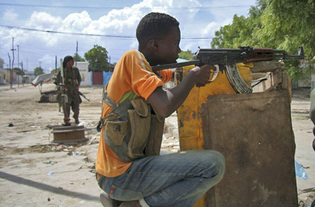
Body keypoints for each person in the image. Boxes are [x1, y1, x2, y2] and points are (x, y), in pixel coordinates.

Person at [95, 12, 225, 207]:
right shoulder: (132, 59)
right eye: (175, 44)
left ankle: (123, 201)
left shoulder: (147, 68)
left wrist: (197, 66)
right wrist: (192, 78)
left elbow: (172, 71)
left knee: (188, 162)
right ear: (154, 45)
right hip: (119, 176)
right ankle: (136, 205)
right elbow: (164, 106)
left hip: (123, 170)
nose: (179, 49)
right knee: (213, 165)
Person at [55, 56, 82, 125]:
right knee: (66, 106)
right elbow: (57, 82)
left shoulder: (75, 70)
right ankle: (66, 120)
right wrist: (62, 86)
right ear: (67, 62)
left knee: (76, 106)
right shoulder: (62, 71)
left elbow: (79, 79)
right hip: (66, 92)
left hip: (74, 91)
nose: (73, 63)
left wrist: (77, 87)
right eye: (71, 61)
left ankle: (76, 118)